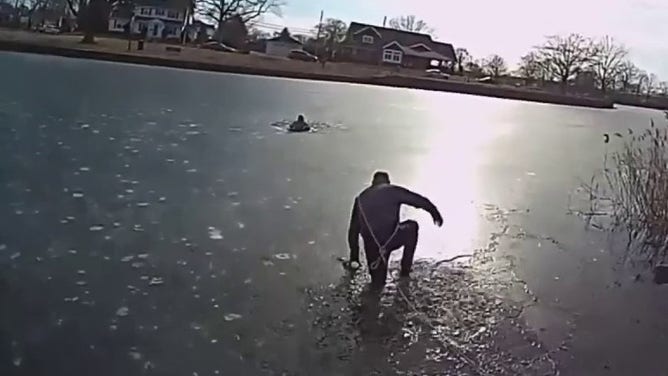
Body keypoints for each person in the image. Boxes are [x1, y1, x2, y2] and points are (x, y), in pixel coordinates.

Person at [347, 171, 443, 287]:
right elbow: (417, 200)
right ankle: (405, 271)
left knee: (377, 284)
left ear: (372, 183)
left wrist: (354, 258)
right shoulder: (393, 190)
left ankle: (371, 298)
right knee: (412, 227)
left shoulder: (360, 199)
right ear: (387, 182)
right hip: (392, 238)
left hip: (372, 247)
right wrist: (434, 212)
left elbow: (353, 231)